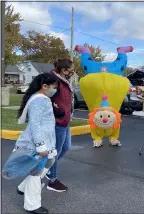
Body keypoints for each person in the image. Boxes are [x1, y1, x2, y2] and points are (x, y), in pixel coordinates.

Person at [15, 73, 58, 214]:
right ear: (44, 86)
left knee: (50, 160)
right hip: (37, 142)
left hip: (46, 140)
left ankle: (23, 187)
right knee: (36, 172)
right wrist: (40, 146)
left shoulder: (43, 99)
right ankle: (31, 205)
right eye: (54, 87)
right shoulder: (39, 101)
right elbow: (35, 125)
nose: (55, 90)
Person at [45, 59, 74, 192]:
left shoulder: (63, 81)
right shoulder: (54, 81)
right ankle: (52, 180)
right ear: (63, 70)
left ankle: (47, 167)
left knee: (66, 147)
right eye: (70, 70)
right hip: (58, 122)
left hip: (65, 121)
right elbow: (44, 97)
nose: (72, 72)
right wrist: (57, 110)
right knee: (55, 152)